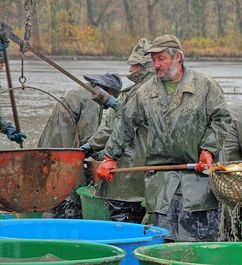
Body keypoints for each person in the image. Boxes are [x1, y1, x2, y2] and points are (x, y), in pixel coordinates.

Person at [96, 34, 231, 241]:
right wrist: (109, 157)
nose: (156, 65)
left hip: (199, 179)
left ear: (177, 57)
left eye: (161, 59)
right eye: (153, 60)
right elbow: (124, 123)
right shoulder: (145, 91)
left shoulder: (205, 86)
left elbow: (222, 118)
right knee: (164, 243)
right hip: (162, 181)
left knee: (200, 243)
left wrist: (208, 149)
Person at [81, 38, 155, 223]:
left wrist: (91, 145)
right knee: (138, 214)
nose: (130, 70)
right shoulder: (154, 89)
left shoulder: (139, 92)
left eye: (134, 66)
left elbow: (115, 126)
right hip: (144, 168)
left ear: (145, 66)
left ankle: (124, 249)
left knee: (122, 216)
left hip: (127, 167)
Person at [38, 73, 122, 218]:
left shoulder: (77, 92)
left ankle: (50, 224)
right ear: (108, 92)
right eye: (114, 96)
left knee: (52, 199)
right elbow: (87, 138)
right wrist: (105, 156)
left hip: (46, 150)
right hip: (65, 156)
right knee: (71, 198)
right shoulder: (92, 101)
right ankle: (70, 226)